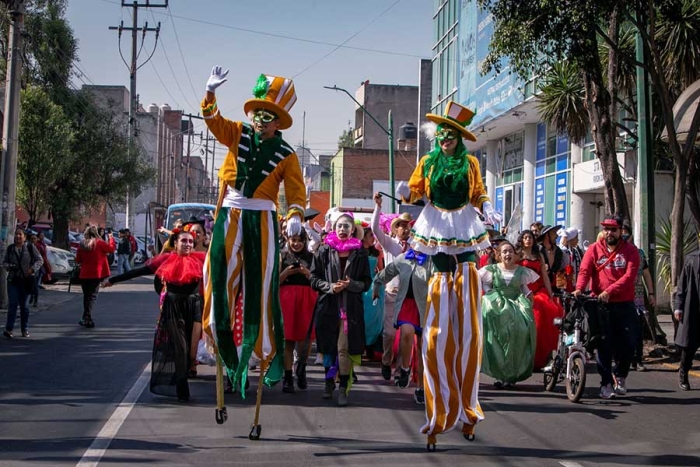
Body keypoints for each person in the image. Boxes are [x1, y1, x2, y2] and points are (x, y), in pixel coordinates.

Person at [397, 101, 501, 447]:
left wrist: (486, 206)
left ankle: (469, 411)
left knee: (470, 332)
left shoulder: (470, 163)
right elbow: (415, 188)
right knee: (437, 337)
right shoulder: (427, 162)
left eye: (450, 133)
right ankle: (438, 414)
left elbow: (477, 191)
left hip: (466, 238)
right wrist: (406, 193)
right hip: (438, 232)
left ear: (458, 137)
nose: (444, 137)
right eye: (440, 132)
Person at [200, 68, 307, 400]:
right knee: (215, 272)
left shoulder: (286, 154)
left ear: (278, 121)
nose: (261, 120)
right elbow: (214, 122)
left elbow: (296, 191)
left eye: (269, 115)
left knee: (260, 286)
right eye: (258, 113)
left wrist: (295, 215)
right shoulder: (237, 133)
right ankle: (219, 342)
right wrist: (210, 94)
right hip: (231, 213)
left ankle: (257, 352)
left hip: (261, 218)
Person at [103, 228, 206, 402]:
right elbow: (140, 271)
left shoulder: (201, 259)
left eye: (190, 241)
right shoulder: (165, 259)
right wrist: (113, 280)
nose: (187, 244)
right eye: (184, 241)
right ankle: (182, 390)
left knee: (191, 352)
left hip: (195, 306)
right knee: (180, 347)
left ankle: (185, 372)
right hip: (173, 306)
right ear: (175, 243)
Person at [574, 215, 640, 399]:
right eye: (606, 229)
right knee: (603, 344)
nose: (609, 233)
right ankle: (606, 384)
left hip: (624, 304)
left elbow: (629, 277)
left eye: (613, 229)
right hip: (600, 305)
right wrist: (579, 288)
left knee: (629, 343)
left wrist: (610, 290)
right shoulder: (594, 249)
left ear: (621, 231)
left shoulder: (631, 251)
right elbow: (585, 271)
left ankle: (620, 375)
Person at [310, 213, 371, 406]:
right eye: (339, 226)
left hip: (350, 309)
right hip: (328, 307)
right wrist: (330, 287)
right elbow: (313, 279)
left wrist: (351, 284)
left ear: (353, 230)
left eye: (346, 226)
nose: (342, 229)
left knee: (343, 349)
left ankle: (343, 388)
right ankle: (328, 383)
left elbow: (366, 283)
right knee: (328, 348)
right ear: (334, 228)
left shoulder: (360, 253)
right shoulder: (324, 250)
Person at [372, 236, 432, 404]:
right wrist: (376, 285)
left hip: (426, 308)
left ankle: (420, 387)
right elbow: (386, 273)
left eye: (423, 242)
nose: (418, 245)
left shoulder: (432, 262)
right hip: (406, 304)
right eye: (416, 242)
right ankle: (404, 368)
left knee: (423, 349)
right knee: (406, 332)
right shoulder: (403, 258)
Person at [478, 241, 538, 389]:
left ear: (515, 254)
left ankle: (511, 374)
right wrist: (491, 293)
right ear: (498, 255)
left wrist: (529, 295)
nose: (508, 254)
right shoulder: (492, 270)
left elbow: (523, 288)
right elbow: (484, 284)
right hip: (497, 306)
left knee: (517, 336)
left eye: (510, 251)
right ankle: (500, 375)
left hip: (515, 306)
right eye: (504, 252)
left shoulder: (520, 271)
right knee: (499, 339)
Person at [371, 193, 413, 381]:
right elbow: (374, 228)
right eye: (401, 226)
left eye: (407, 226)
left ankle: (402, 370)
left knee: (407, 335)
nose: (405, 229)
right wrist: (378, 207)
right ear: (395, 229)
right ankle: (387, 361)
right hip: (391, 293)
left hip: (409, 297)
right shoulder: (389, 244)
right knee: (389, 333)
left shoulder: (415, 246)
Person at [516, 230, 563, 369]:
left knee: (546, 316)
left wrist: (550, 294)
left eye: (530, 237)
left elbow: (545, 276)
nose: (528, 240)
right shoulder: (518, 256)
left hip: (539, 290)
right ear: (522, 240)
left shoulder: (539, 256)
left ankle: (543, 357)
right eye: (525, 237)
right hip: (523, 290)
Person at [279, 230, 317, 393]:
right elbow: (275, 281)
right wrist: (286, 272)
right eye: (293, 240)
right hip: (286, 299)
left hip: (307, 299)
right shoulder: (281, 256)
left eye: (300, 240)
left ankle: (301, 369)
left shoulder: (312, 257)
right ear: (288, 239)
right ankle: (288, 377)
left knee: (305, 340)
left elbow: (317, 280)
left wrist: (306, 273)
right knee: (287, 339)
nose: (296, 243)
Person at [621, 225, 656, 372]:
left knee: (637, 328)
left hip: (637, 297)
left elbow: (646, 274)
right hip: (620, 296)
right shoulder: (617, 253)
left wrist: (652, 293)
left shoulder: (639, 253)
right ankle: (625, 359)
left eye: (625, 235)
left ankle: (638, 359)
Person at [3, 229, 43, 338]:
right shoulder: (11, 248)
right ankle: (9, 329)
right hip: (13, 281)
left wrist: (32, 269)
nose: (17, 236)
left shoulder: (29, 247)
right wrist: (9, 266)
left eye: (20, 234)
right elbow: (4, 262)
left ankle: (24, 329)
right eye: (16, 234)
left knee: (24, 306)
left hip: (26, 281)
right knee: (13, 305)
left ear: (24, 237)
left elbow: (40, 260)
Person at [673, 237, 700, 391]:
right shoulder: (692, 259)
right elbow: (682, 285)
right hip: (694, 308)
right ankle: (683, 372)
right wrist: (679, 307)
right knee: (689, 346)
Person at [74, 226, 115, 328]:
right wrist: (111, 238)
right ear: (96, 233)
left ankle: (85, 317)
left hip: (84, 274)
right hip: (96, 273)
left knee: (86, 296)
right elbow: (111, 249)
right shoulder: (99, 243)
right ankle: (87, 317)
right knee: (92, 296)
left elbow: (78, 260)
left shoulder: (82, 244)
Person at [361, 225, 384, 355]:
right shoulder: (356, 251)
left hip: (374, 286)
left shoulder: (376, 253)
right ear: (363, 237)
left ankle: (371, 345)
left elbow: (381, 271)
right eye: (370, 235)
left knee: (374, 318)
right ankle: (362, 344)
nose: (373, 238)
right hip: (361, 286)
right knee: (362, 317)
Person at [559, 227, 583, 292]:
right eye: (576, 238)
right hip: (563, 281)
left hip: (574, 283)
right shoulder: (562, 250)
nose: (577, 240)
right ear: (571, 239)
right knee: (563, 298)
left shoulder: (575, 250)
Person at [27, 232, 43, 307]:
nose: (33, 240)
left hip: (36, 269)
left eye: (34, 238)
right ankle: (31, 296)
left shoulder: (40, 246)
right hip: (29, 268)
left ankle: (35, 299)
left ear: (37, 239)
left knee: (35, 285)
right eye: (32, 239)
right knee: (32, 285)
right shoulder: (28, 246)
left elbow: (42, 259)